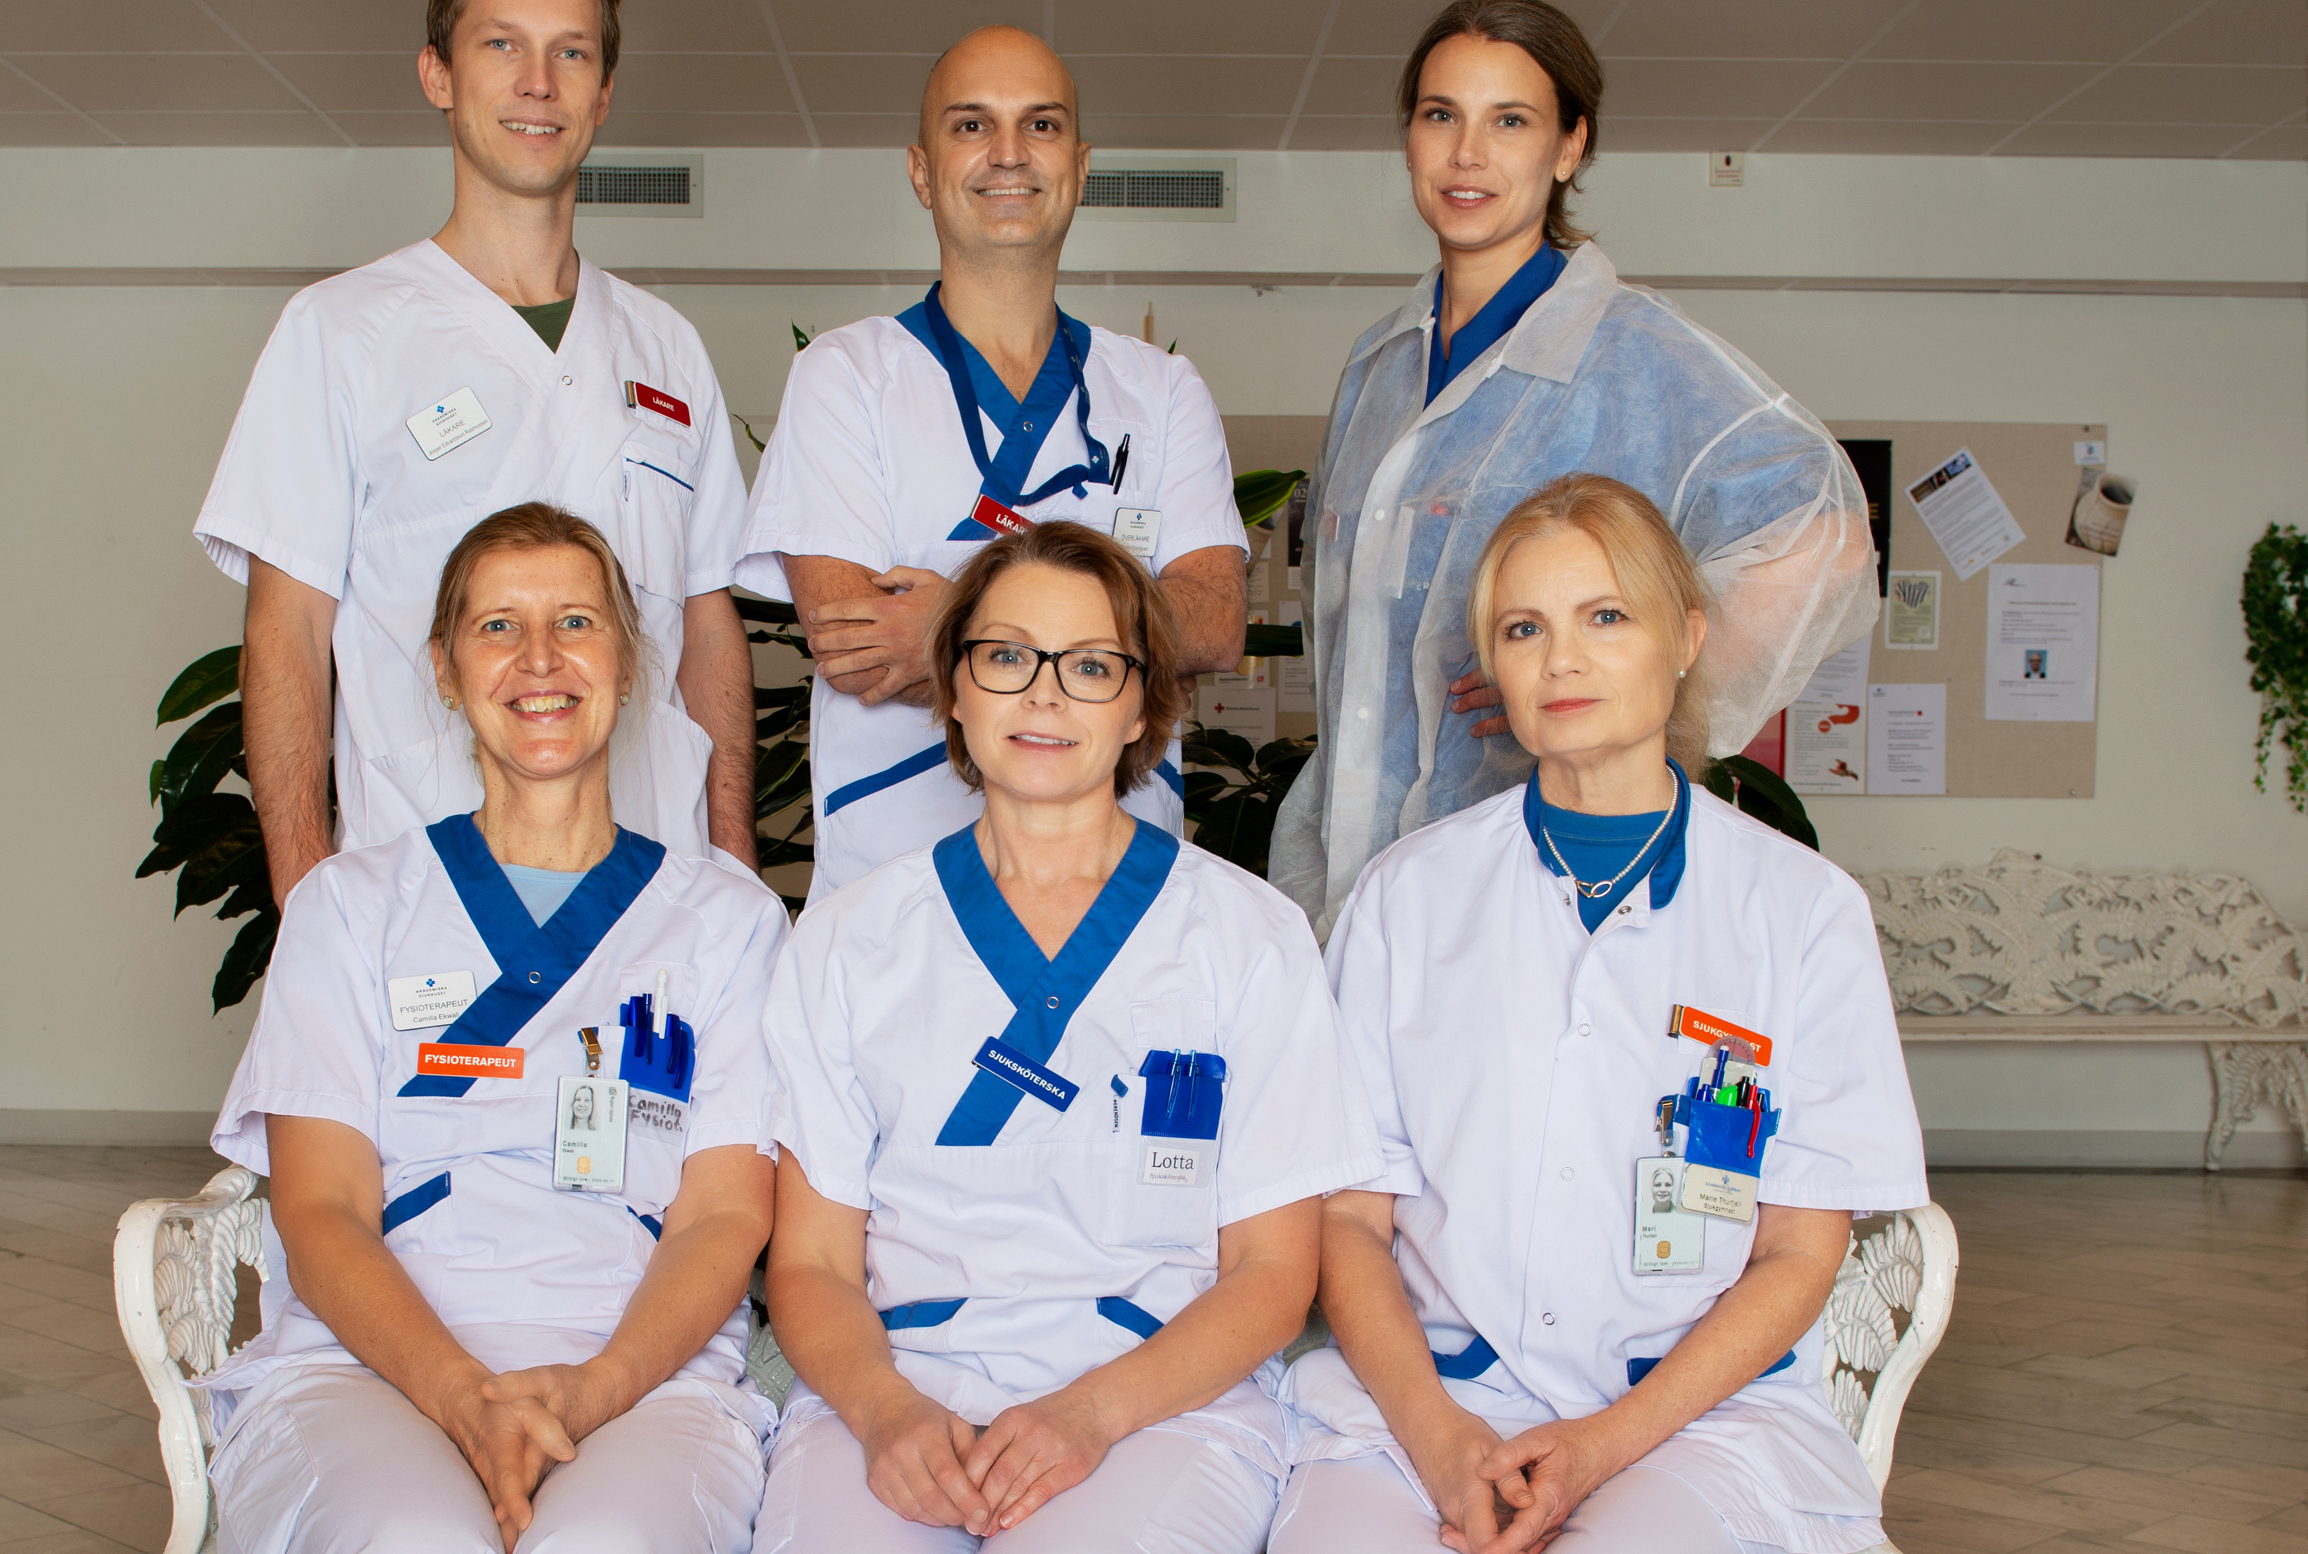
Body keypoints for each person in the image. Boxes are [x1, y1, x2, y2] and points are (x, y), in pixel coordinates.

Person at [1269, 475, 1927, 1554]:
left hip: (1688, 1419)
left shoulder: (1802, 910)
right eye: (1523, 629)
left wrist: (1599, 1446)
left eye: (1605, 616)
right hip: (1430, 1403)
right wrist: (1440, 1439)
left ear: (1687, 639)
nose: (1561, 660)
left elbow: (1797, 1249)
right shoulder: (1407, 896)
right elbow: (1349, 1220)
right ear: (1495, 669)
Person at [751, 523, 1377, 1554]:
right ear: (954, 686)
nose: (1044, 695)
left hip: (1160, 1399)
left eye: (1089, 666)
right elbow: (813, 1259)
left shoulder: (1245, 935)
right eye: (1006, 656)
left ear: (1142, 704)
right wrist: (883, 1410)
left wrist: (1090, 1413)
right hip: (895, 1383)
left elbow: (1272, 1272)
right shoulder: (852, 936)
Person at [197, 505, 787, 1554]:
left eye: (576, 621)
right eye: (498, 627)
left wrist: (592, 1388)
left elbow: (723, 1213)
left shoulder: (727, 921)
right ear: (443, 668)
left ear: (628, 661)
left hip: (640, 1372)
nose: (540, 659)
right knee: (413, 1545)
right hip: (365, 1366)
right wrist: (466, 1398)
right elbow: (322, 1206)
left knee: (603, 1549)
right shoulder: (350, 907)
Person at [1272, 0, 1879, 936]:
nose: (1467, 154)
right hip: (1345, 887)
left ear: (1569, 147)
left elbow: (1825, 535)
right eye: (1440, 115)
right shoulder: (1378, 364)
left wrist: (1599, 679)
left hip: (1527, 890)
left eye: (1510, 120)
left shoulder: (1636, 351)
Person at [195, 0, 759, 907]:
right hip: (422, 891)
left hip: (658, 893)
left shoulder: (665, 347)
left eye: (570, 52)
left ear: (603, 91)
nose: (538, 82)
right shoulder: (340, 333)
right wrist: (309, 912)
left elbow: (707, 625)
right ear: (439, 75)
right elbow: (287, 634)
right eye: (502, 44)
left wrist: (733, 877)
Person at [738, 26, 1249, 904]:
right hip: (895, 885)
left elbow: (1215, 622)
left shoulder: (1162, 390)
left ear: (1079, 168)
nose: (1009, 152)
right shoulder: (847, 373)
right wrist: (1113, 641)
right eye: (971, 125)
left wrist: (948, 623)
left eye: (1041, 125)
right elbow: (856, 643)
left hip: (1121, 888)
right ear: (921, 170)